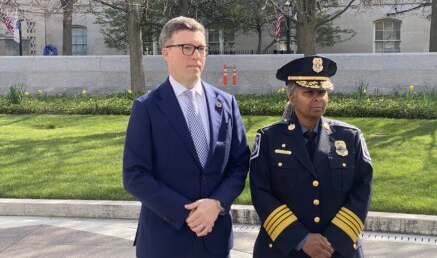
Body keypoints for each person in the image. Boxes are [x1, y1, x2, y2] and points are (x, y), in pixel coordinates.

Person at [123, 16, 250, 258]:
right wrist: (188, 213)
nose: (196, 55)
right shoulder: (147, 107)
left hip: (214, 238)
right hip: (165, 240)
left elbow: (239, 163)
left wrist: (217, 204)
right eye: (187, 48)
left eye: (201, 48)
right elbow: (135, 176)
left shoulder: (226, 103)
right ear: (166, 53)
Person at [250, 55, 373, 258]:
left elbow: (362, 190)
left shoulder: (350, 137)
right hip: (284, 249)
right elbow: (261, 192)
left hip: (337, 250)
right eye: (309, 92)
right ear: (291, 96)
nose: (318, 98)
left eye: (322, 92)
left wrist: (330, 243)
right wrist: (301, 239)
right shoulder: (269, 138)